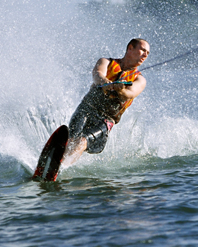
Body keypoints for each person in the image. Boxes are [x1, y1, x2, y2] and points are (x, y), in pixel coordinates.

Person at [60, 38, 150, 167]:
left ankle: (61, 168)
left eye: (147, 53)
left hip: (104, 121)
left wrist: (121, 90)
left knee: (81, 142)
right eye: (142, 50)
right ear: (130, 48)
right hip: (86, 109)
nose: (145, 54)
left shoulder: (140, 79)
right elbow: (97, 75)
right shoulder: (106, 62)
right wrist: (105, 83)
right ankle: (56, 161)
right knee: (72, 141)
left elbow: (130, 94)